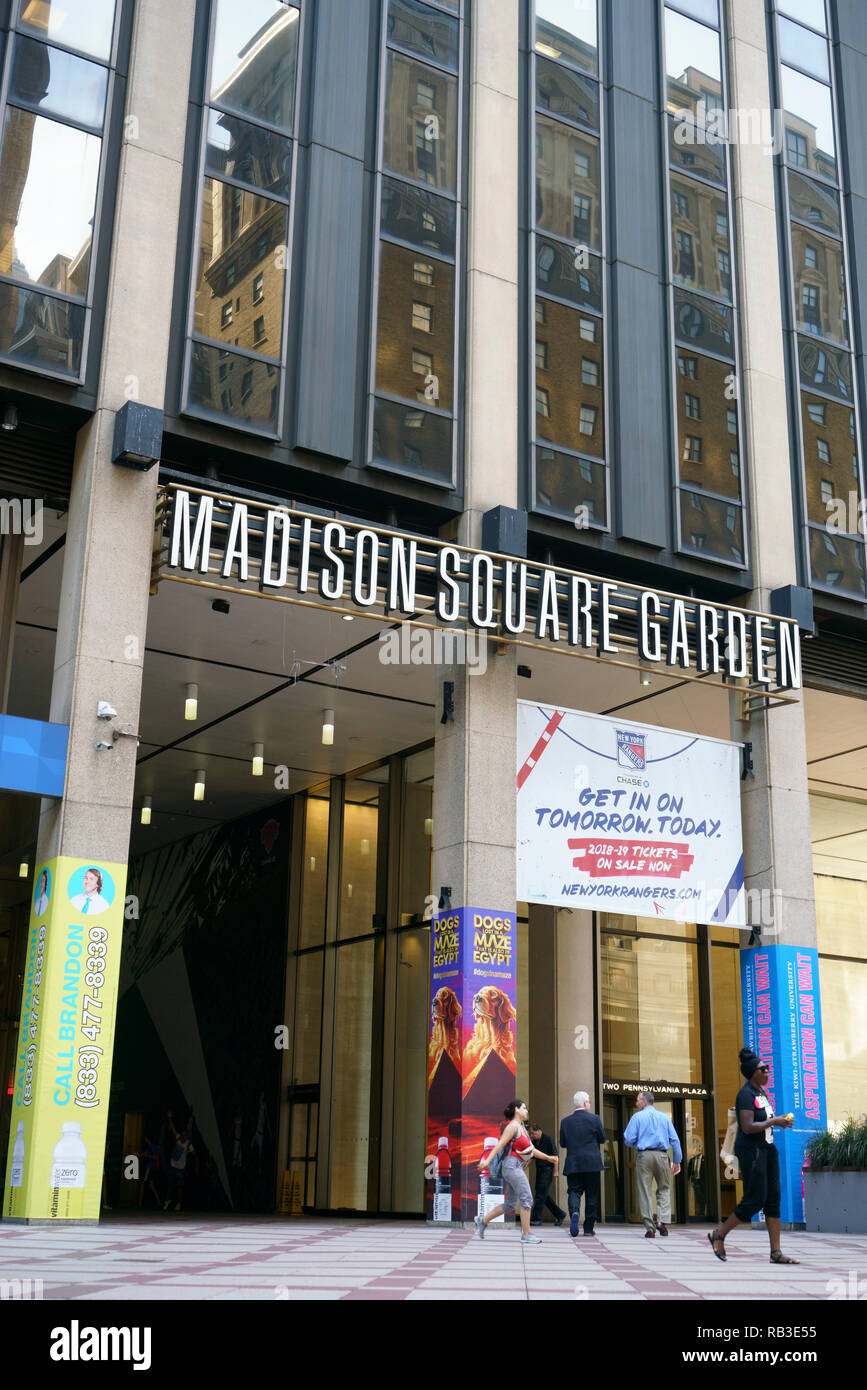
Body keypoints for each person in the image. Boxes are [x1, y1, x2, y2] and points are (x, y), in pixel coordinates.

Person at [708, 1048, 798, 1265]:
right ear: (753, 1073)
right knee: (754, 1199)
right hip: (752, 1152)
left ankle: (775, 1252)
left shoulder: (761, 1093)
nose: (767, 1071)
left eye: (766, 1068)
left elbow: (763, 1122)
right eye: (763, 1069)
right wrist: (774, 1121)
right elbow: (748, 1127)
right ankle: (718, 1234)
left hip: (767, 1150)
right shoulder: (745, 1094)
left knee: (773, 1199)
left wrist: (779, 1122)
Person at [476, 1099, 559, 1243]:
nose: (526, 1111)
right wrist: (487, 1161)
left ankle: (482, 1221)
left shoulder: (522, 1128)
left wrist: (548, 1158)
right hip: (511, 1166)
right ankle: (526, 1235)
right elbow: (500, 1144)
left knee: (510, 1204)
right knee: (527, 1198)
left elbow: (531, 1151)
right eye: (524, 1108)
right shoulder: (512, 1127)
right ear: (516, 1110)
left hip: (516, 1167)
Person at [623, 1091, 682, 1237]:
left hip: (644, 1155)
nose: (636, 1103)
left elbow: (628, 1139)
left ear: (644, 1101)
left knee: (645, 1191)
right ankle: (662, 1221)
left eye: (638, 1101)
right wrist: (677, 1161)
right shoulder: (664, 1117)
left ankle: (650, 1227)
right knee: (664, 1189)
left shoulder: (637, 1117)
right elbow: (675, 1140)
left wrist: (638, 1142)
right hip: (662, 1155)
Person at [559, 1090, 606, 1237]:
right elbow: (603, 1138)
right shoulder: (595, 1119)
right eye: (589, 1102)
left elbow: (563, 1143)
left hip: (573, 1163)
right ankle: (588, 1228)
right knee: (592, 1195)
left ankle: (575, 1212)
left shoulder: (565, 1122)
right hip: (592, 1163)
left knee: (574, 1191)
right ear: (585, 1103)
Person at [528, 1124, 566, 1227]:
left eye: (533, 1133)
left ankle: (536, 1219)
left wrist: (555, 1171)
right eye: (530, 1134)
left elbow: (555, 1156)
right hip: (539, 1170)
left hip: (547, 1170)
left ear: (539, 1130)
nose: (532, 1135)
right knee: (542, 1194)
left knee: (540, 1195)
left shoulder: (549, 1139)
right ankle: (560, 1214)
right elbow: (532, 1156)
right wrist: (525, 1166)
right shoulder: (534, 1142)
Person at [163, 1128, 195, 1212]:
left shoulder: (188, 1144)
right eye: (182, 1135)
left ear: (187, 1136)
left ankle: (178, 1203)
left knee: (179, 1186)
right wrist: (170, 1119)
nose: (183, 1137)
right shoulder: (178, 1139)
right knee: (170, 1184)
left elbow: (194, 1154)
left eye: (185, 1135)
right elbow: (173, 1129)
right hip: (173, 1165)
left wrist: (189, 1154)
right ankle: (167, 1201)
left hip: (181, 1168)